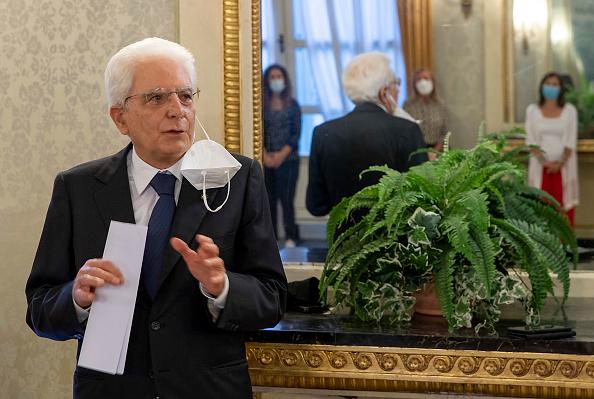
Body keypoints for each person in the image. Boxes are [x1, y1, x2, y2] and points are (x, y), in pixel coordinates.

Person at [25, 37, 287, 399]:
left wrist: (222, 286)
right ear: (120, 117)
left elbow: (272, 298)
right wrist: (77, 296)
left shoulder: (237, 179)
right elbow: (40, 308)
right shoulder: (78, 188)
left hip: (208, 389)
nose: (177, 110)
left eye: (186, 95)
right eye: (157, 97)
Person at [306, 52, 428, 219]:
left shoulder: (323, 132)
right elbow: (423, 198)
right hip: (392, 241)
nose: (398, 89)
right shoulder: (407, 130)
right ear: (384, 92)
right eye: (395, 83)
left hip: (343, 241)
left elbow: (316, 206)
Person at [525, 71, 579, 226]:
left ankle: (564, 247)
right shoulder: (532, 110)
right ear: (541, 87)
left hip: (563, 168)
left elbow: (570, 140)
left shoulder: (570, 111)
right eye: (547, 84)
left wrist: (560, 162)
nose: (550, 87)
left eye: (554, 84)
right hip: (541, 167)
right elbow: (531, 139)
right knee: (541, 208)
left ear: (561, 89)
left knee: (562, 207)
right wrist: (543, 161)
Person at [262, 64, 301, 247]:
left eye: (279, 76)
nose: (276, 80)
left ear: (284, 79)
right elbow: (258, 130)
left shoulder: (292, 104)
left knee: (287, 200)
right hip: (266, 160)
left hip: (289, 160)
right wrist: (265, 156)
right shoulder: (261, 104)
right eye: (272, 76)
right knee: (268, 201)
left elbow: (296, 134)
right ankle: (273, 239)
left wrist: (280, 156)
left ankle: (291, 236)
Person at [402, 68, 450, 159]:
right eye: (419, 79)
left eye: (425, 78)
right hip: (415, 152)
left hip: (438, 151)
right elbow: (405, 131)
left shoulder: (440, 105)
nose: (422, 82)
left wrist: (434, 152)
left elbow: (445, 133)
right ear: (414, 84)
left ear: (432, 82)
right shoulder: (408, 105)